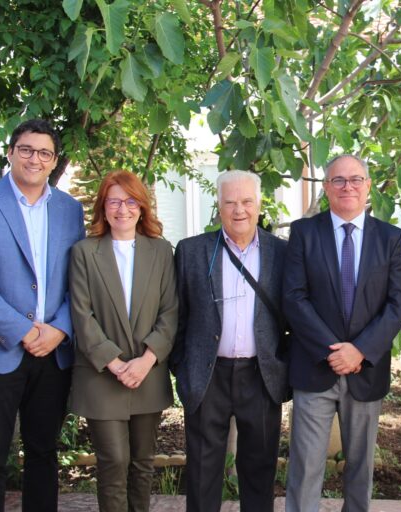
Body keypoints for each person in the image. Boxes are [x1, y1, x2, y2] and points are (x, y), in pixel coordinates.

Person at [0, 119, 85, 511]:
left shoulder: (69, 210)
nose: (34, 159)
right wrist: (23, 330)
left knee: (44, 454)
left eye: (44, 153)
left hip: (52, 353)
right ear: (10, 152)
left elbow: (80, 279)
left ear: (54, 161)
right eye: (26, 149)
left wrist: (60, 329)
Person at [283, 154, 401, 512]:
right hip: (314, 368)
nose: (347, 186)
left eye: (356, 179)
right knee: (306, 466)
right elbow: (294, 297)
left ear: (368, 186)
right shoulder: (304, 232)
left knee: (360, 468)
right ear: (326, 188)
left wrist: (360, 351)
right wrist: (332, 350)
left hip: (365, 371)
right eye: (338, 180)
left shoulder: (390, 238)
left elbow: (397, 305)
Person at [170, 170, 288, 512]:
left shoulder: (281, 253)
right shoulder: (192, 251)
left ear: (259, 204)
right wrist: (183, 366)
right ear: (218, 206)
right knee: (203, 473)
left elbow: (293, 315)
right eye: (230, 202)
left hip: (261, 375)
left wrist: (283, 367)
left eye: (247, 201)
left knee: (259, 470)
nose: (240, 210)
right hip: (208, 375)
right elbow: (178, 314)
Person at [69, 170, 178, 512]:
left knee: (143, 463)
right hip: (102, 374)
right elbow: (81, 315)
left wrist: (146, 361)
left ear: (142, 208)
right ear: (103, 207)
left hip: (148, 372)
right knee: (113, 461)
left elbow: (170, 311)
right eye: (114, 201)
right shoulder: (85, 252)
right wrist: (116, 363)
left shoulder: (161, 252)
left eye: (131, 201)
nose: (122, 209)